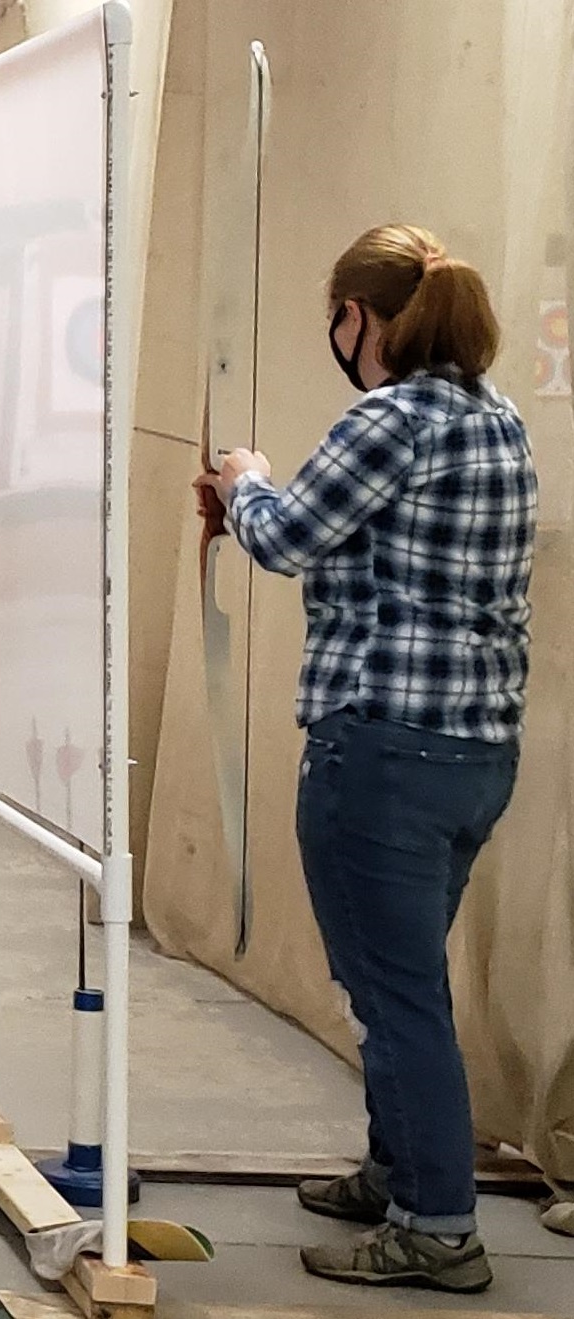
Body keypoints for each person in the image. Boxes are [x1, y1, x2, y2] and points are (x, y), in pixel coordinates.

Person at [202, 224, 533, 1295]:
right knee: (399, 979)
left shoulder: (384, 419)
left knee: (394, 996)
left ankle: (436, 1224)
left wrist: (245, 478)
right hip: (473, 749)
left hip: (379, 744)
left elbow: (283, 537)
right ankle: (396, 1170)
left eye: (334, 317)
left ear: (361, 319)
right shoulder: (499, 420)